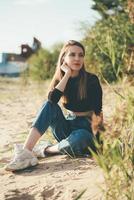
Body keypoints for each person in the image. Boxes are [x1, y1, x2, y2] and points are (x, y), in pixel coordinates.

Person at [5, 40, 103, 171]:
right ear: (64, 58)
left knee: (80, 138)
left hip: (86, 128)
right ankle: (26, 152)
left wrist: (99, 141)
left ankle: (45, 149)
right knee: (49, 105)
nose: (77, 58)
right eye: (72, 55)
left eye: (81, 55)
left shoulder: (91, 80)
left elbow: (98, 111)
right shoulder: (62, 79)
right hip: (67, 126)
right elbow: (52, 100)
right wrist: (67, 75)